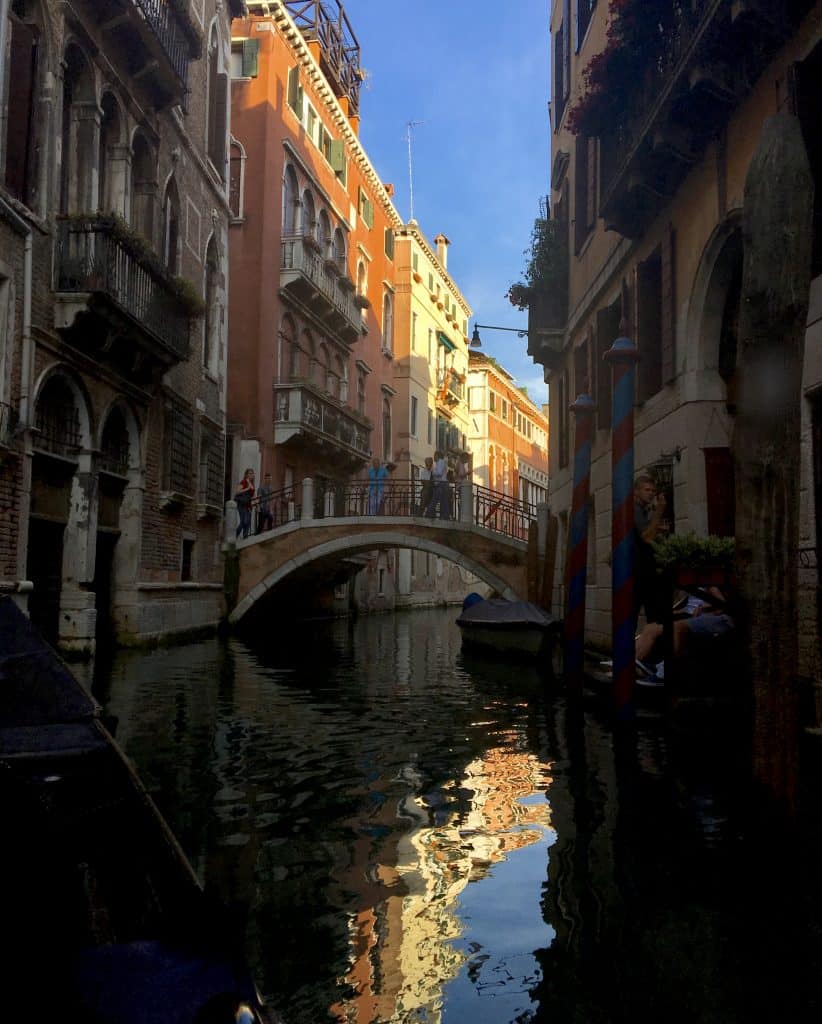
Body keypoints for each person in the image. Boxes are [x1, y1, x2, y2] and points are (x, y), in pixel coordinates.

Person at [633, 473, 668, 628]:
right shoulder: (635, 509)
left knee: (653, 615)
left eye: (652, 491)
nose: (651, 493)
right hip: (639, 572)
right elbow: (646, 537)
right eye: (647, 490)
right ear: (636, 492)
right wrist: (659, 510)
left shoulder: (643, 510)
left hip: (643, 571)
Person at [234, 468, 255, 539]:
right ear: (246, 475)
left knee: (248, 522)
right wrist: (247, 488)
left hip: (248, 505)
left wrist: (256, 504)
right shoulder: (243, 482)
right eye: (250, 473)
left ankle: (245, 537)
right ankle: (235, 536)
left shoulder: (252, 484)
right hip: (242, 504)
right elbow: (237, 492)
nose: (251, 475)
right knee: (243, 521)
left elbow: (252, 496)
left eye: (252, 473)